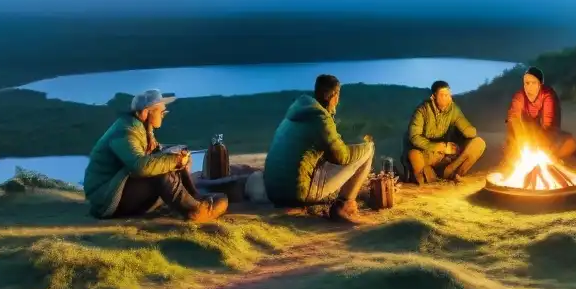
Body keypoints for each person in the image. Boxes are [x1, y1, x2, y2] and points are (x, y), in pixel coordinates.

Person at [83, 89, 228, 223]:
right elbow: (139, 166)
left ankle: (194, 199)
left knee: (168, 159)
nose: (163, 115)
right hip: (107, 199)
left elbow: (154, 154)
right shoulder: (125, 133)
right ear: (146, 113)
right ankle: (195, 211)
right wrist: (175, 160)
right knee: (160, 171)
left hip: (117, 189)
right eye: (161, 112)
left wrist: (177, 156)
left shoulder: (142, 129)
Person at [263, 74, 374, 224]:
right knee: (368, 150)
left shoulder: (296, 114)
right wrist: (364, 145)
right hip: (297, 193)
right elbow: (342, 157)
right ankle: (345, 205)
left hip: (273, 192)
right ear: (335, 95)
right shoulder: (320, 118)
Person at [402, 80, 486, 185]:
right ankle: (426, 175)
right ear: (433, 97)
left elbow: (469, 130)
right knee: (414, 155)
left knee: (478, 143)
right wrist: (439, 147)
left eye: (448, 94)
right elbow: (414, 137)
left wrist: (466, 132)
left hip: (445, 155)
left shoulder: (453, 109)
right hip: (425, 152)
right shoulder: (422, 111)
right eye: (443, 95)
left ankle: (452, 172)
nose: (447, 98)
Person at [502, 66, 576, 165]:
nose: (529, 87)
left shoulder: (548, 96)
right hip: (525, 134)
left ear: (540, 84)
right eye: (527, 83)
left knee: (571, 143)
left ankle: (551, 159)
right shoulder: (520, 96)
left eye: (533, 83)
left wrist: (538, 142)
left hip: (548, 135)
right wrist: (520, 135)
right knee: (509, 146)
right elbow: (512, 117)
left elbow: (549, 125)